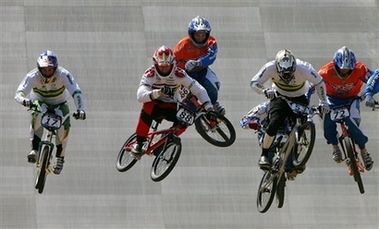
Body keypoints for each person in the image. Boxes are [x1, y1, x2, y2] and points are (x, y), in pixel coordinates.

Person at [250, 49, 329, 171]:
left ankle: (296, 158)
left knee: (302, 124)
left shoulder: (305, 68)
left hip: (300, 98)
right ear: (277, 67)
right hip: (279, 96)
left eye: (289, 73)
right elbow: (254, 82)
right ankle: (264, 154)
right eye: (283, 74)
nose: (286, 77)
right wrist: (265, 90)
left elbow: (319, 82)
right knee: (275, 121)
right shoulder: (270, 67)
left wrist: (323, 102)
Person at [131, 45, 214, 158]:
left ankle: (164, 142)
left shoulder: (179, 74)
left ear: (173, 64)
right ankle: (139, 143)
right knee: (147, 107)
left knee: (188, 118)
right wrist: (157, 93)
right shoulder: (149, 74)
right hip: (156, 104)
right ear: (155, 65)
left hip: (173, 105)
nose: (164, 69)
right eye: (161, 66)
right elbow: (140, 96)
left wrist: (208, 106)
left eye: (167, 66)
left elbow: (199, 90)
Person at [14, 50, 86, 175]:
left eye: (50, 70)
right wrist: (25, 101)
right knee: (36, 115)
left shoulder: (64, 74)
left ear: (56, 68)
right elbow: (18, 94)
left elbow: (76, 92)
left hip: (60, 103)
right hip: (40, 102)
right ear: (39, 68)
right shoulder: (32, 76)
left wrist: (81, 109)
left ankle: (60, 158)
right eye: (44, 70)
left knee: (65, 125)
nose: (47, 73)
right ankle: (34, 149)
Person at [318, 46, 374, 171]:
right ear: (335, 65)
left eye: (348, 70)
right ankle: (335, 147)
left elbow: (373, 79)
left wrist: (369, 94)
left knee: (354, 122)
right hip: (331, 99)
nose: (345, 72)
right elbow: (313, 85)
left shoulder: (360, 69)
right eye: (342, 69)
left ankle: (364, 151)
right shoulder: (324, 72)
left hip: (352, 99)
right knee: (327, 120)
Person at [173, 15, 225, 115]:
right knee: (187, 101)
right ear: (191, 34)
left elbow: (211, 57)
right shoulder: (182, 45)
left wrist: (198, 62)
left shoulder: (211, 42)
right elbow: (174, 62)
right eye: (197, 35)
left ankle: (213, 104)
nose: (200, 38)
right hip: (186, 75)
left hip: (202, 71)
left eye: (203, 35)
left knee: (214, 86)